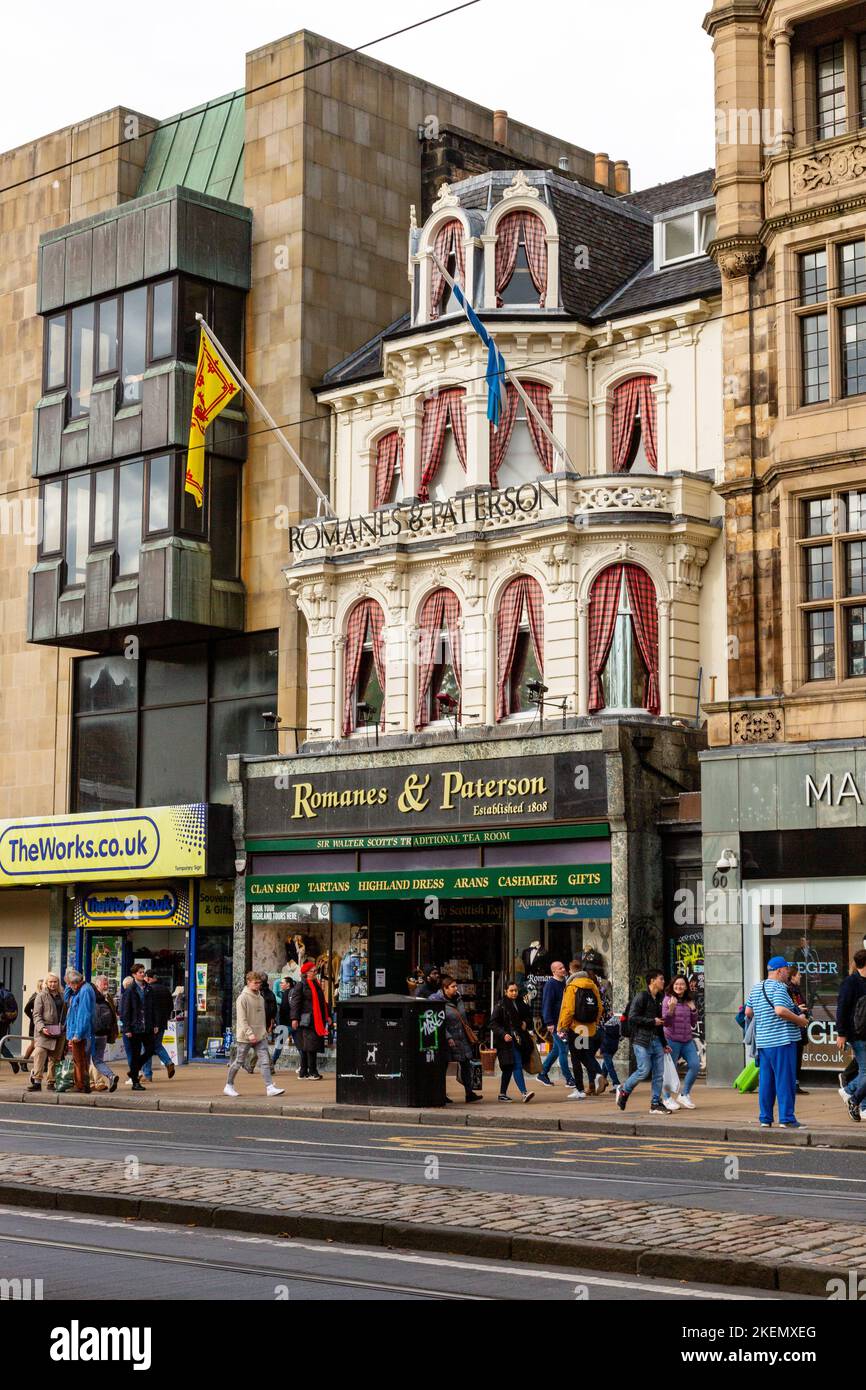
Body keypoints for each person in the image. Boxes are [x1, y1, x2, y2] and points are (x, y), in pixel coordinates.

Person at [744, 956, 808, 1129]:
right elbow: (779, 1010)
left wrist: (765, 1018)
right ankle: (787, 1118)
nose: (788, 973)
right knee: (785, 1080)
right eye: (787, 969)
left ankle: (765, 1118)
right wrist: (800, 1020)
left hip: (764, 1043)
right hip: (782, 1041)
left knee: (766, 1081)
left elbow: (748, 1012)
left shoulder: (757, 987)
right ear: (780, 971)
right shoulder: (780, 987)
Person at [616, 969, 672, 1115]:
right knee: (643, 1070)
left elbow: (659, 1023)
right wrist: (652, 1021)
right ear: (652, 981)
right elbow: (632, 1017)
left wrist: (664, 1043)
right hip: (641, 1040)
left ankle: (655, 1103)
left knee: (659, 1074)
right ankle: (624, 1090)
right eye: (661, 979)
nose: (663, 981)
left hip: (656, 1041)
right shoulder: (641, 996)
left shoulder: (659, 997)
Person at [224, 971, 284, 1097]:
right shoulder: (242, 998)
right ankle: (229, 1085)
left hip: (260, 1035)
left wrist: (264, 1031)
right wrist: (249, 1033)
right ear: (248, 982)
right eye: (255, 983)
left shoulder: (261, 998)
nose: (258, 985)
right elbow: (242, 1019)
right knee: (239, 1061)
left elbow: (261, 1017)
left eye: (259, 983)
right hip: (246, 1037)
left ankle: (269, 1087)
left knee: (265, 1061)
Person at [430, 974, 481, 1104]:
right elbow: (438, 1022)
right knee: (444, 1066)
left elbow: (463, 1017)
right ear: (445, 988)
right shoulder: (436, 1001)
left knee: (466, 1064)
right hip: (448, 1038)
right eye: (453, 986)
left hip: (462, 1037)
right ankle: (441, 1093)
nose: (456, 988)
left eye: (456, 986)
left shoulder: (458, 999)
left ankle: (469, 1093)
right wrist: (448, 1037)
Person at [558, 956, 604, 1099]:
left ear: (572, 971)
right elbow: (600, 1007)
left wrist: (562, 1026)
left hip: (576, 1027)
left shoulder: (571, 986)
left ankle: (580, 1089)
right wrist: (595, 1022)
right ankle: (596, 1076)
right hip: (588, 1028)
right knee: (583, 1054)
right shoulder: (593, 985)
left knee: (576, 1058)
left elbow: (569, 1009)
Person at [661, 974, 701, 1110]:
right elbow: (665, 1022)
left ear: (686, 986)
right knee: (670, 1070)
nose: (679, 987)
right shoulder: (668, 999)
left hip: (687, 1040)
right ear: (672, 985)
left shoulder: (688, 1001)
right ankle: (666, 1098)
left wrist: (694, 1009)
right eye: (677, 984)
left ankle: (684, 1094)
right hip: (672, 1040)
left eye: (682, 984)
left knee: (695, 1065)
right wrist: (671, 1009)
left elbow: (693, 1022)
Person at [491, 981, 535, 1103]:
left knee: (509, 1068)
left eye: (516, 990)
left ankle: (502, 1094)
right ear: (506, 991)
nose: (514, 993)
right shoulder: (501, 1005)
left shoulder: (521, 1003)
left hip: (520, 1039)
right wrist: (504, 1034)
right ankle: (524, 1092)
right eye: (511, 990)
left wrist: (526, 1022)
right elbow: (493, 1023)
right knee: (516, 1064)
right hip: (507, 1041)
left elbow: (528, 1017)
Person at [536, 961, 576, 1090]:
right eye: (560, 968)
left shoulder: (565, 982)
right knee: (563, 1049)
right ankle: (569, 1078)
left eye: (564, 967)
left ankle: (542, 1073)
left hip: (564, 1021)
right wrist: (549, 1022)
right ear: (554, 971)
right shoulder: (550, 985)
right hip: (556, 1023)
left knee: (557, 1049)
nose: (563, 969)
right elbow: (546, 1004)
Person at [836, 948, 866, 1120]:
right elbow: (842, 1008)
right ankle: (861, 1105)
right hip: (857, 1034)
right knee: (865, 1071)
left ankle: (848, 1091)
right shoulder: (851, 982)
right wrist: (841, 1033)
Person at [119, 964, 158, 1092]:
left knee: (151, 1049)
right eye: (140, 972)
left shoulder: (148, 989)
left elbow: (153, 1008)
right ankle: (135, 1082)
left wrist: (155, 1024)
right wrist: (127, 1029)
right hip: (134, 1027)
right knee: (135, 1055)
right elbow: (125, 1011)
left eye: (143, 972)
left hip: (147, 1026)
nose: (142, 974)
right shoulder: (130, 990)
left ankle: (133, 1071)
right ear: (134, 975)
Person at [289, 962, 331, 1080]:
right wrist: (294, 1018)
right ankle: (312, 1072)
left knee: (308, 1046)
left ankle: (303, 1072)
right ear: (306, 972)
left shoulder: (316, 984)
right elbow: (295, 1003)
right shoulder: (300, 985)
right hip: (307, 1020)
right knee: (309, 1046)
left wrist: (327, 1015)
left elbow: (322, 1001)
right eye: (313, 971)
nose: (315, 973)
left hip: (316, 1020)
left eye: (316, 970)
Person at [28, 974, 67, 1092]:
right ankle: (37, 1082)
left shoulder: (63, 995)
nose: (52, 984)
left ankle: (51, 1082)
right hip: (44, 1031)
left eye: (55, 982)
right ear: (46, 982)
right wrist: (41, 1027)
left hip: (59, 1031)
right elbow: (36, 1015)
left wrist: (65, 1027)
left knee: (55, 1059)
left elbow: (66, 1013)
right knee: (39, 1054)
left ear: (58, 982)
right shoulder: (41, 996)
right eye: (50, 982)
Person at [63, 968, 97, 1094]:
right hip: (76, 1030)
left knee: (79, 1060)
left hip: (81, 1032)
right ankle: (83, 1084)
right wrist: (68, 985)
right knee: (79, 1059)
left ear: (75, 983)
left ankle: (81, 1085)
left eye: (70, 984)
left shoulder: (85, 990)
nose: (69, 987)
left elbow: (84, 1014)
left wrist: (78, 1033)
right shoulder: (78, 990)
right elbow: (66, 999)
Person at [141, 971, 176, 1081]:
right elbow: (171, 1006)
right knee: (156, 1045)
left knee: (147, 1048)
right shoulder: (165, 989)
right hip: (162, 1023)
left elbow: (149, 1009)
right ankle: (168, 1063)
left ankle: (147, 1074)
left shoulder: (148, 990)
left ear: (148, 978)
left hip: (151, 1024)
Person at [90, 975, 120, 1092]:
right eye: (104, 984)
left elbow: (113, 1016)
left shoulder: (95, 997)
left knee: (93, 1059)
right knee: (97, 1060)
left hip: (95, 1034)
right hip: (102, 1034)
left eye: (107, 983)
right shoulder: (106, 998)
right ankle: (97, 1081)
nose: (106, 986)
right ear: (97, 984)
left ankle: (97, 1081)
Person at [786, 966, 810, 1096]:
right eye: (799, 974)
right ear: (793, 976)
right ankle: (792, 1084)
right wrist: (797, 1008)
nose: (801, 976)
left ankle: (795, 1083)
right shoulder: (788, 990)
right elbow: (785, 1008)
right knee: (793, 1057)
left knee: (797, 1056)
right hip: (793, 1028)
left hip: (799, 1026)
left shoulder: (796, 990)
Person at [0, 979, 20, 1073]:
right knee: (1, 1044)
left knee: (1, 1044)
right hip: (4, 1023)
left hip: (1, 1021)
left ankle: (13, 1062)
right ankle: (13, 1062)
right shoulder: (7, 993)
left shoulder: (2, 994)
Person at [22, 980, 42, 1063]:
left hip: (42, 1023)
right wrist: (33, 1017)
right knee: (34, 1044)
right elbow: (26, 1009)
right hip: (35, 1024)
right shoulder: (35, 997)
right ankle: (24, 1061)